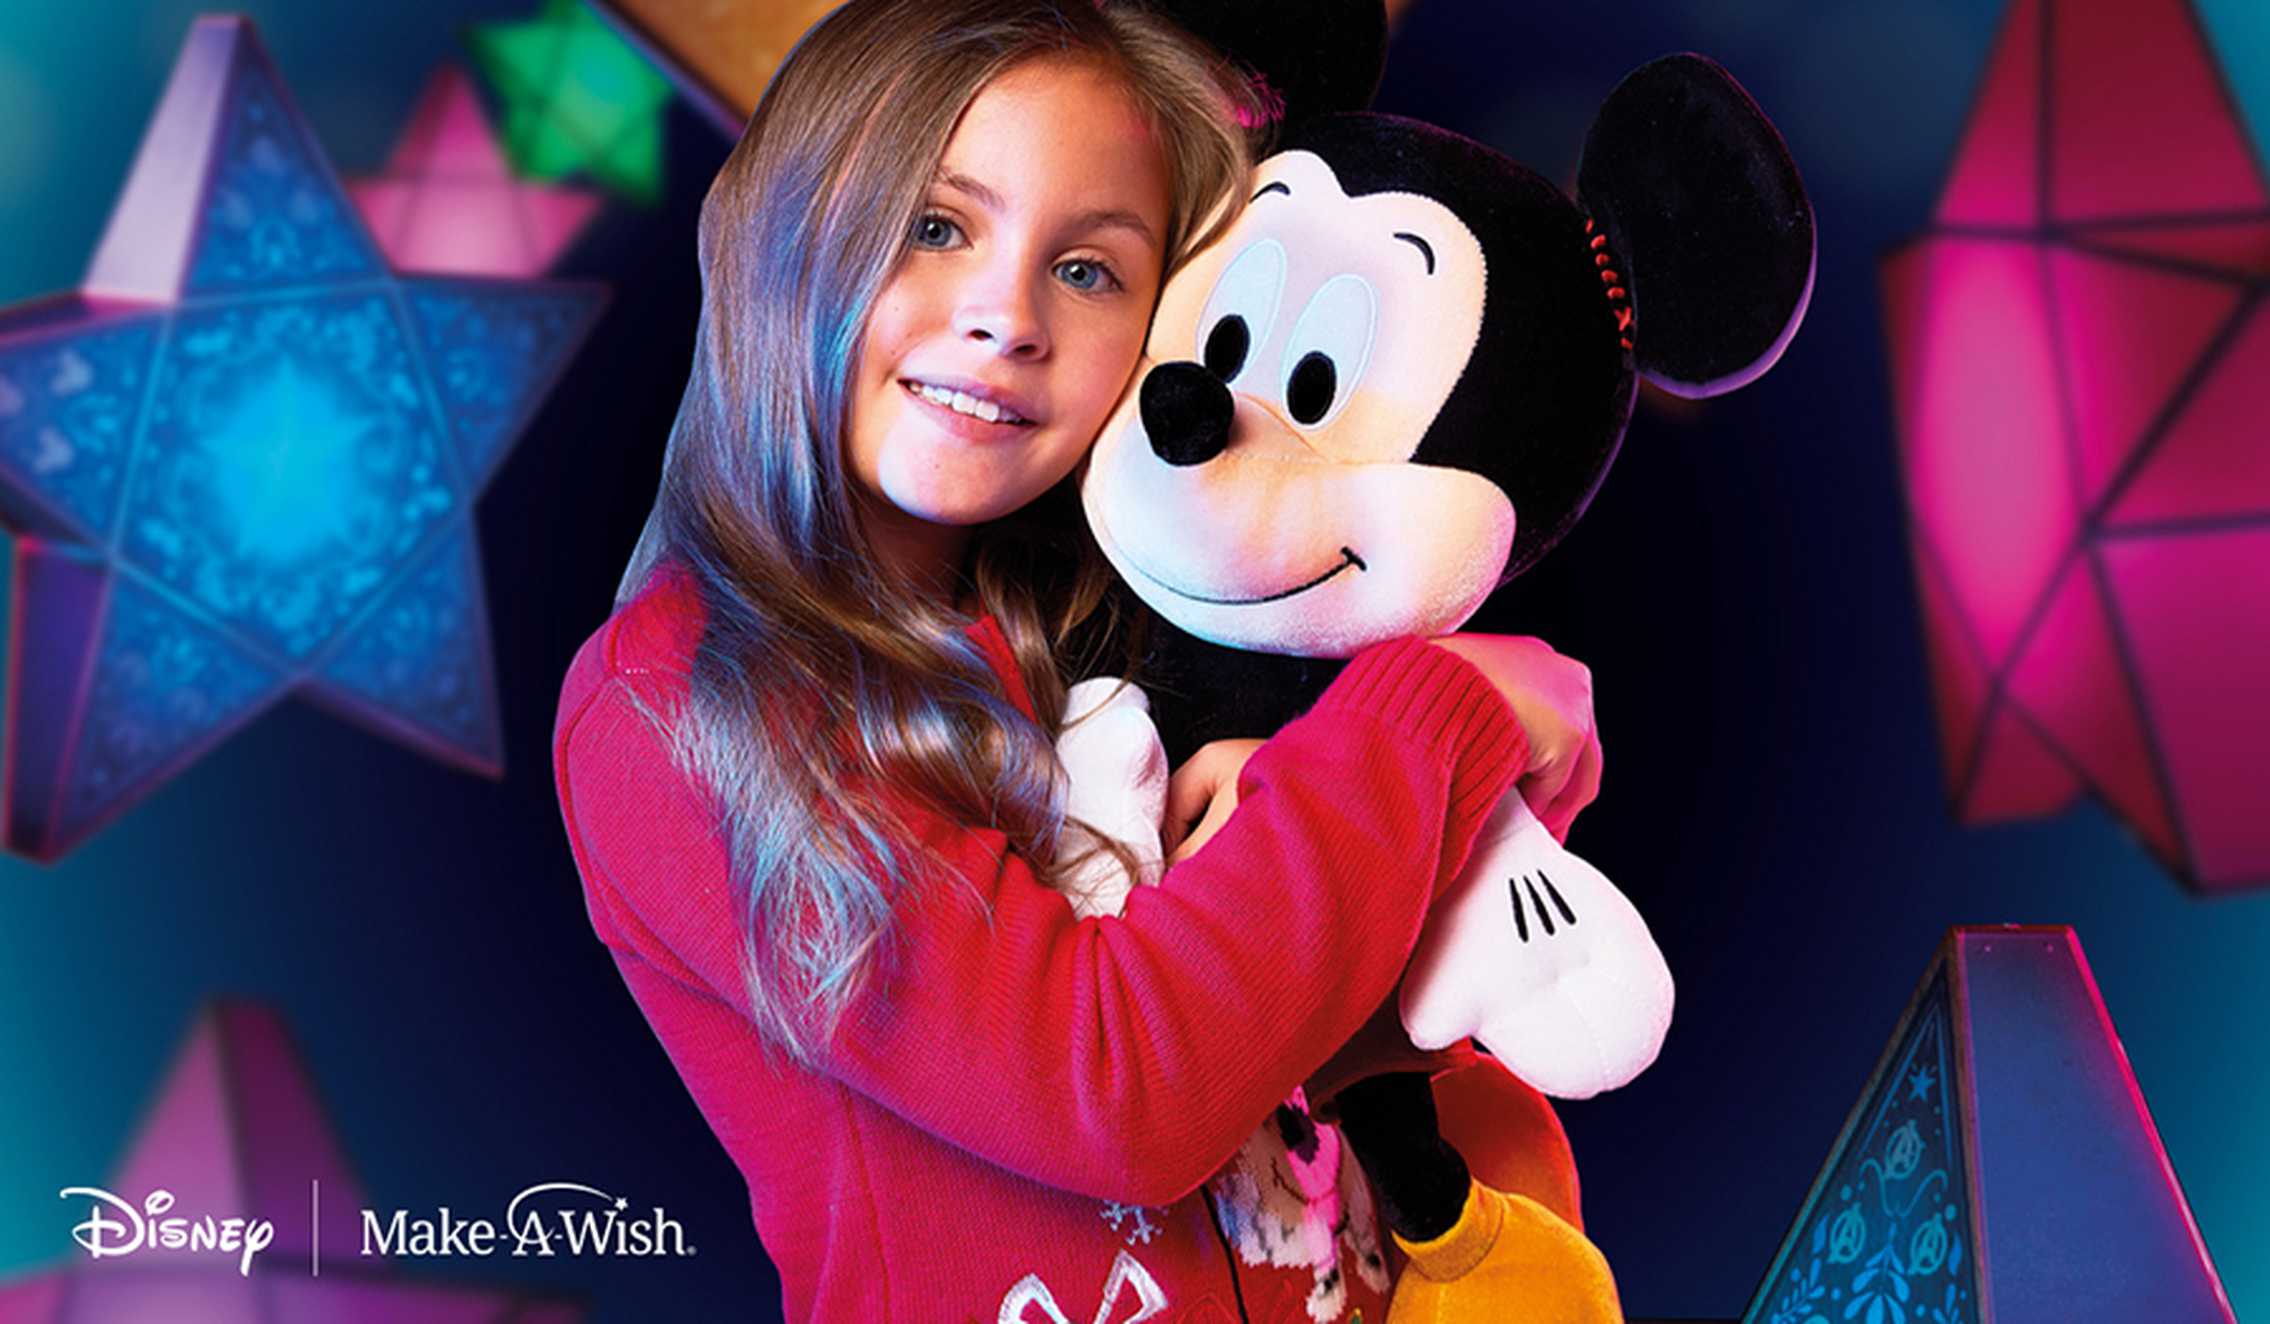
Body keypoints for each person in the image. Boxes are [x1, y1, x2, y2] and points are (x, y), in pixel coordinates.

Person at [551, 0, 1603, 1318]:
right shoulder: (673, 708)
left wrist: (1425, 940)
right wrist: (1441, 712)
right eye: (935, 227)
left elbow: (1264, 1024)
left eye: (1089, 268)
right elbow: (1116, 1092)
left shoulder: (1086, 620)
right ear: (782, 230)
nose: (1007, 316)